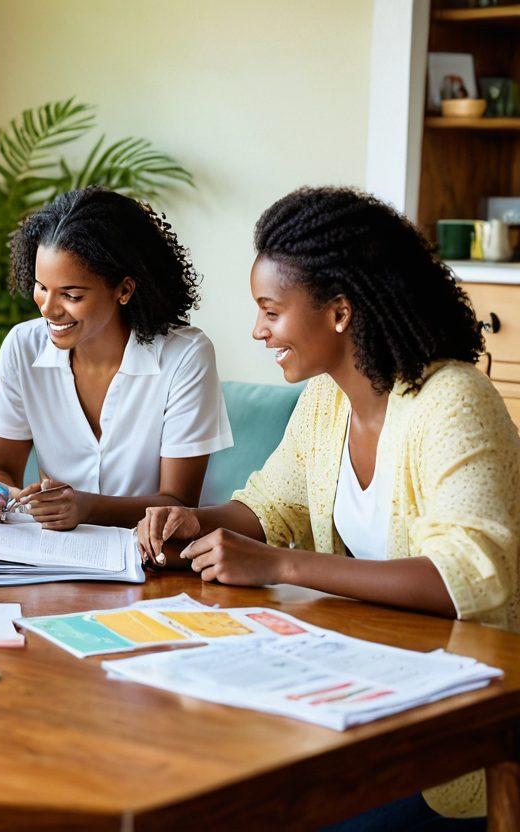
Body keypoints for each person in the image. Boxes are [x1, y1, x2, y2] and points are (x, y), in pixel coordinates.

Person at [137, 185, 520, 826]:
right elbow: (270, 509)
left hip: (455, 729)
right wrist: (192, 526)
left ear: (340, 312)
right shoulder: (327, 402)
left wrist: (280, 567)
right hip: (365, 692)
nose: (258, 331)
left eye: (271, 311)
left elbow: (464, 579)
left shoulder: (454, 401)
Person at [0, 186, 232, 530]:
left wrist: (86, 507)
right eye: (42, 287)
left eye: (71, 295)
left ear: (124, 290)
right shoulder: (21, 347)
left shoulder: (186, 356)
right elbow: (4, 470)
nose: (48, 309)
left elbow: (178, 503)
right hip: (54, 556)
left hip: (157, 560)